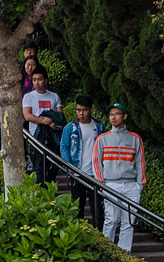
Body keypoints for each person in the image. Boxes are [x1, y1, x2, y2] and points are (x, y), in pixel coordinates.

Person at [93, 103, 146, 252]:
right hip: (110, 184)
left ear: (125, 116)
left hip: (130, 185)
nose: (113, 117)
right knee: (111, 220)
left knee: (128, 222)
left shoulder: (135, 138)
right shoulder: (102, 139)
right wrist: (101, 183)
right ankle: (107, 252)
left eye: (117, 114)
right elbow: (96, 162)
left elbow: (140, 162)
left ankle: (124, 254)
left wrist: (140, 185)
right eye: (111, 114)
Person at [60, 95, 106, 215]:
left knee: (97, 207)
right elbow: (64, 146)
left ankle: (98, 232)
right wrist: (68, 165)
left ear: (91, 110)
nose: (81, 113)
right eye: (78, 110)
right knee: (77, 207)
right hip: (77, 171)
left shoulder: (100, 127)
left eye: (84, 110)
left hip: (95, 173)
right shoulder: (70, 127)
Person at [21, 68, 62, 184]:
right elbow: (27, 116)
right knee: (39, 170)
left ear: (45, 80)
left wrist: (52, 122)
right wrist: (44, 121)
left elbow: (60, 115)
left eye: (39, 79)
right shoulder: (29, 97)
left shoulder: (54, 96)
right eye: (34, 80)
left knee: (53, 168)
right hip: (36, 138)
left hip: (52, 138)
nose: (37, 82)